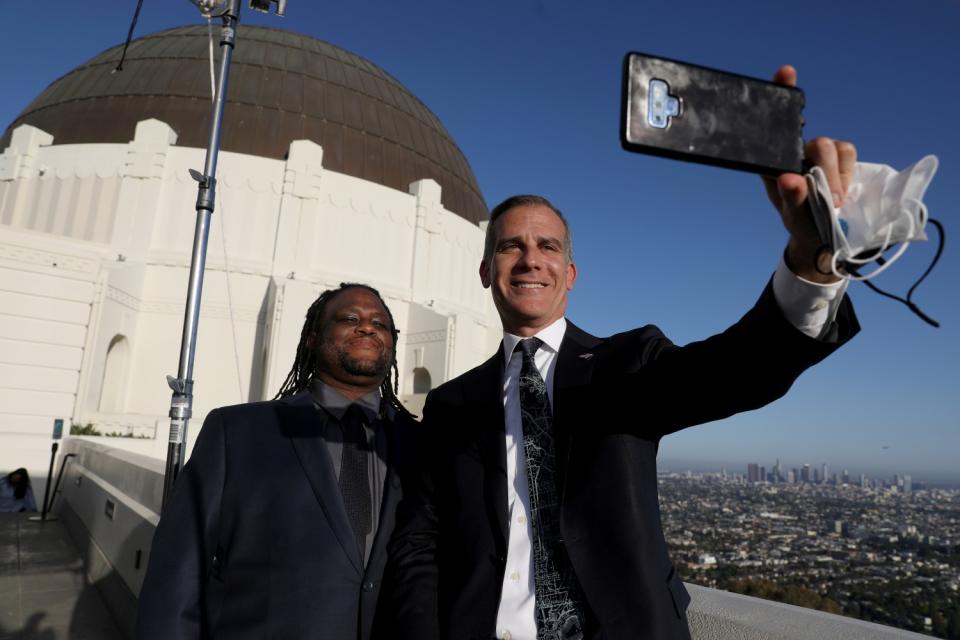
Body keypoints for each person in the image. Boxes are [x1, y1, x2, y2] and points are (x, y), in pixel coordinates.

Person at [385, 66, 860, 640]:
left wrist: (810, 267)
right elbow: (421, 540)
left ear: (570, 273)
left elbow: (733, 373)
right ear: (488, 271)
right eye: (512, 245)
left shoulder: (625, 365)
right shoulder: (451, 404)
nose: (531, 259)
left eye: (548, 247)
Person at [137, 283, 417, 640]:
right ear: (312, 339)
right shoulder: (236, 432)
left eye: (380, 324)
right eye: (350, 318)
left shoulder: (422, 445)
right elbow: (177, 571)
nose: (367, 327)